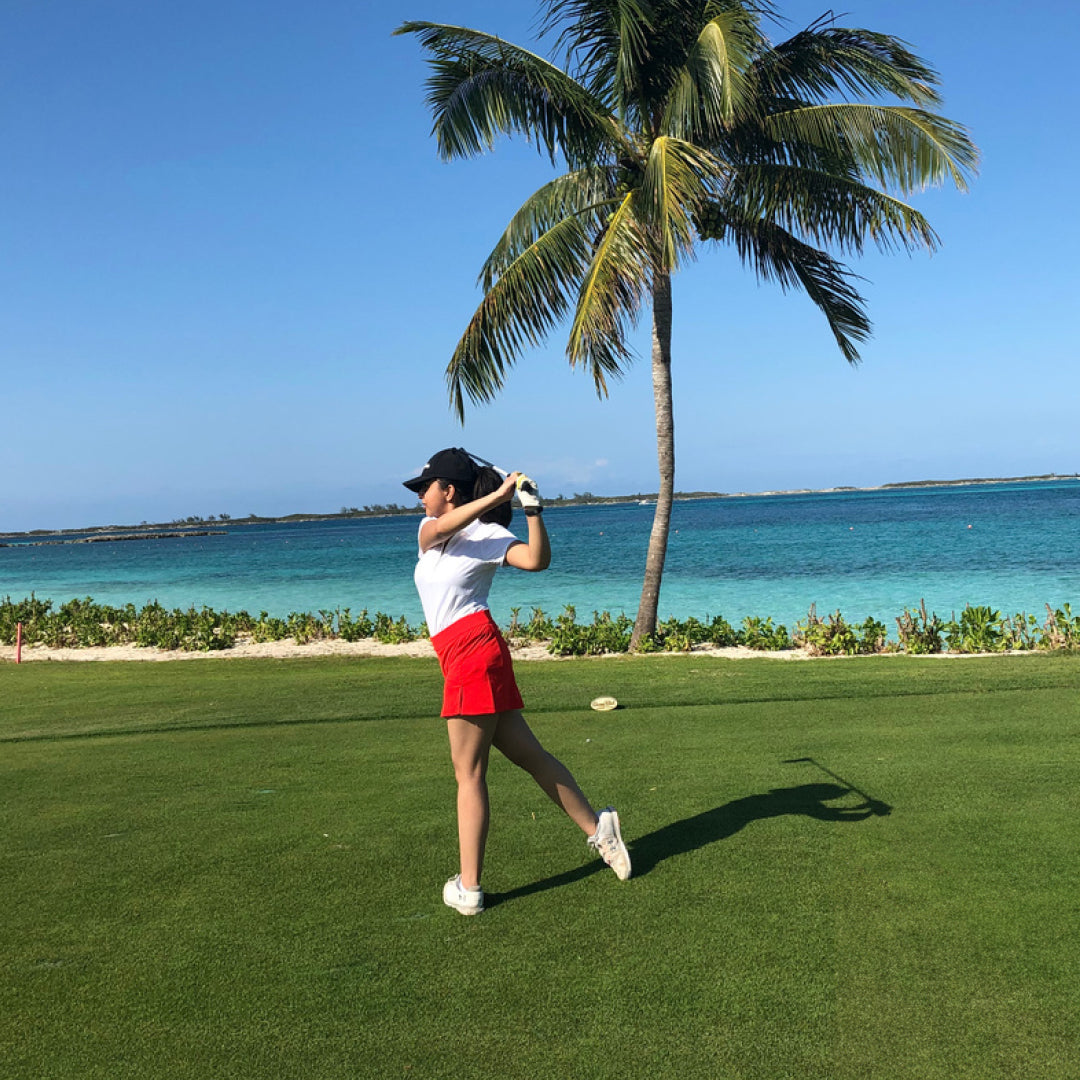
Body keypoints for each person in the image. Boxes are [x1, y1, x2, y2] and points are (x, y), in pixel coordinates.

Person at [403, 447, 631, 915]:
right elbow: (442, 528)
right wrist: (499, 494)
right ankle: (599, 830)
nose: (420, 496)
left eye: (425, 487)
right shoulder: (430, 530)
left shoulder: (488, 535)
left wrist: (531, 510)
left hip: (473, 651)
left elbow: (535, 561)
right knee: (530, 755)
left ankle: (469, 889)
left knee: (469, 773)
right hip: (463, 654)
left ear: (448, 490)